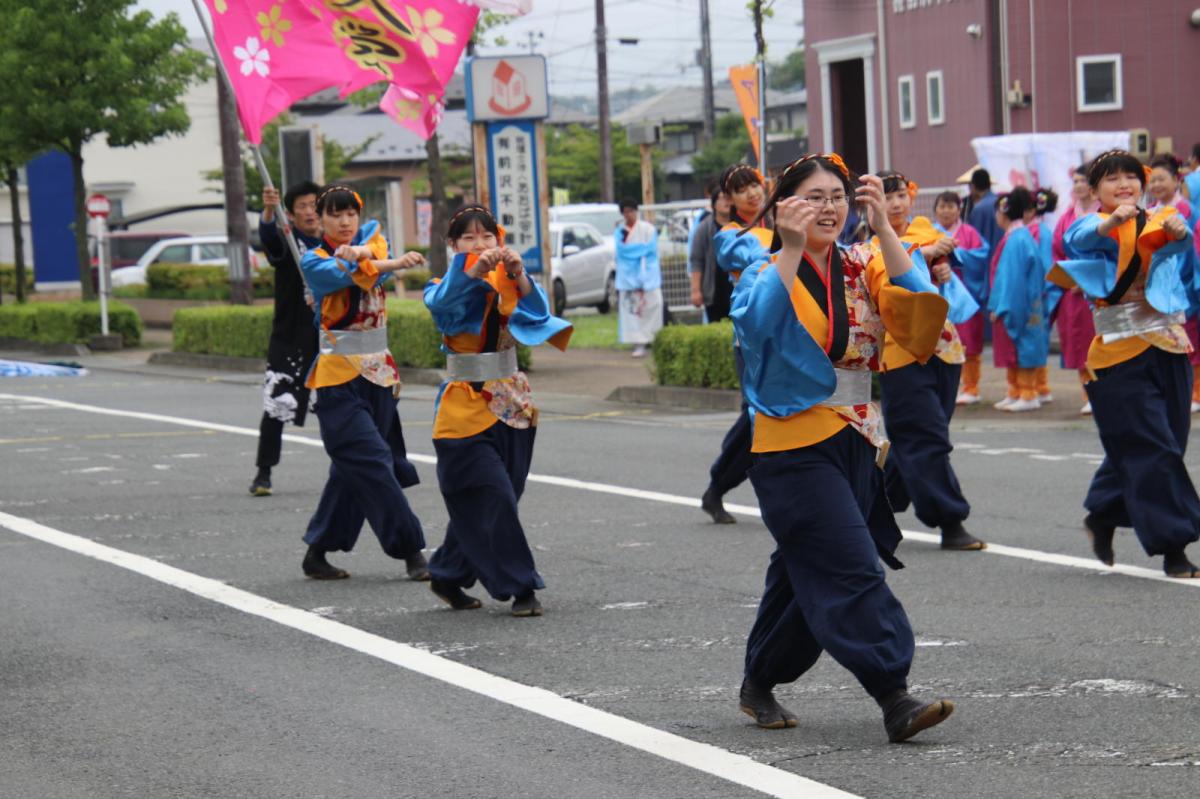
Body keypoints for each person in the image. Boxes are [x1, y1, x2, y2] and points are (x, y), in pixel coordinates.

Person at [730, 152, 956, 743]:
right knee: (850, 566)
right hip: (790, 445)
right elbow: (755, 327)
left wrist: (884, 227)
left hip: (856, 437)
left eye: (837, 197)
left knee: (806, 574)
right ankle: (893, 693)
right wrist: (788, 248)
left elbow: (913, 306)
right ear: (785, 207)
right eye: (812, 197)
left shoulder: (863, 263)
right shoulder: (764, 266)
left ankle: (760, 677)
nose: (827, 208)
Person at [1053, 150, 1200, 577]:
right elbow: (1080, 239)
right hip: (1118, 353)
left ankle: (1102, 512)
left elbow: (1181, 255)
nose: (1124, 184)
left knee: (1162, 444)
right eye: (1112, 178)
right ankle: (1175, 546)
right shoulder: (1090, 223)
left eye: (1131, 177)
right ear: (1095, 189)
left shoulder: (1163, 218)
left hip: (1169, 345)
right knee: (1153, 448)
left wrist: (1179, 232)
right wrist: (1113, 220)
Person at [424, 205, 572, 617]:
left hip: (513, 403)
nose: (479, 245)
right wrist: (469, 271)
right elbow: (443, 304)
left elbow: (540, 314)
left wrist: (520, 274)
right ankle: (520, 585)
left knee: (500, 498)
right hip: (463, 409)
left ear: (499, 240)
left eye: (486, 237)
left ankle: (448, 571)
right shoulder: (442, 285)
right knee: (494, 497)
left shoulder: (509, 283)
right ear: (453, 246)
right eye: (468, 238)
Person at [298, 186, 430, 582]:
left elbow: (376, 238)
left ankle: (317, 550)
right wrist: (374, 259)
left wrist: (366, 251)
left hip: (379, 375)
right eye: (334, 215)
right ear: (319, 220)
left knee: (352, 469)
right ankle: (412, 550)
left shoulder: (372, 240)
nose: (343, 222)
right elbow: (348, 273)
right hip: (337, 378)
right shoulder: (312, 261)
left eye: (349, 215)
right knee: (373, 461)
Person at [873, 171, 984, 551]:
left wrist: (942, 264)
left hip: (945, 349)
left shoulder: (925, 229)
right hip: (900, 355)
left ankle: (870, 504)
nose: (897, 203)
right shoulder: (867, 246)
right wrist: (925, 254)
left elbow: (946, 259)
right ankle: (950, 520)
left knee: (918, 439)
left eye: (901, 194)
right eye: (887, 197)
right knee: (925, 438)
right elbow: (892, 269)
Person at [698, 164, 772, 524]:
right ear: (730, 199)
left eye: (754, 185)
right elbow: (752, 259)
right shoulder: (728, 235)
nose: (752, 194)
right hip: (752, 337)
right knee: (756, 413)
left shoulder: (778, 224)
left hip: (791, 332)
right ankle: (720, 484)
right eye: (741, 190)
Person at [249, 182, 322, 497]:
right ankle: (263, 472)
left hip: (329, 338)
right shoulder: (288, 240)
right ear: (290, 214)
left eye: (314, 205)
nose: (310, 212)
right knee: (277, 405)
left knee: (343, 407)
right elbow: (269, 241)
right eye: (302, 206)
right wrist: (268, 210)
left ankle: (361, 468)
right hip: (290, 338)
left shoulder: (336, 245)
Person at [1146, 155, 1200, 411]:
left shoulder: (1187, 211)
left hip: (1182, 283)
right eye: (1152, 180)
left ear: (1176, 180)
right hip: (1157, 286)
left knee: (1187, 339)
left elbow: (1190, 252)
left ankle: (1195, 392)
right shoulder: (1150, 211)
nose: (1155, 185)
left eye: (1161, 179)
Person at [989, 187, 1049, 413]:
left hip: (1019, 301)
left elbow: (1011, 280)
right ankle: (1015, 392)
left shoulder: (1016, 240)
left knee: (1022, 346)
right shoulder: (1020, 236)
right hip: (1027, 299)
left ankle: (1028, 393)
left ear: (1002, 214)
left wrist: (1001, 306)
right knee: (1018, 347)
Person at [929, 190, 991, 405]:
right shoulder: (929, 233)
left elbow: (982, 255)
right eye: (942, 206)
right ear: (935, 210)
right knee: (938, 341)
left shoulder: (969, 232)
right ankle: (942, 386)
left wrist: (957, 256)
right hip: (938, 295)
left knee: (969, 341)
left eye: (951, 206)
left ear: (959, 209)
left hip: (965, 293)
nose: (946, 211)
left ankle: (971, 387)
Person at [1051, 167, 1099, 414]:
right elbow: (1057, 252)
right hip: (1073, 290)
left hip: (1097, 289)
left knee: (1097, 339)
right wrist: (1068, 278)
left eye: (1084, 180)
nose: (1079, 185)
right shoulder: (1066, 217)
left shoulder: (1103, 214)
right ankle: (1087, 392)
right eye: (1076, 181)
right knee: (1080, 342)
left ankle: (1102, 391)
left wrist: (1088, 278)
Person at [614, 199, 663, 358]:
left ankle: (654, 339)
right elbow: (622, 252)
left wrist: (635, 251)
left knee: (654, 306)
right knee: (633, 312)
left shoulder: (648, 229)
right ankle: (638, 343)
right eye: (625, 212)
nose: (629, 215)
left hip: (648, 276)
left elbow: (650, 249)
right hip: (628, 278)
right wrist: (639, 251)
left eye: (631, 211)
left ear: (636, 211)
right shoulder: (620, 232)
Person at [1030, 188, 1060, 404]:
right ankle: (1040, 386)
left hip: (1039, 291)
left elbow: (1043, 265)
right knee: (1037, 339)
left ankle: (1040, 386)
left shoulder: (1039, 231)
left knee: (1036, 340)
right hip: (1039, 290)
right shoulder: (1039, 230)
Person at [688, 187, 734, 321]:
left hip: (738, 286)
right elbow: (696, 261)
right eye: (722, 198)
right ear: (714, 204)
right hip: (714, 287)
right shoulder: (704, 228)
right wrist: (696, 291)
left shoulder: (741, 226)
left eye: (728, 198)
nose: (726, 202)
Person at [966, 168, 1002, 253]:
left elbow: (975, 239)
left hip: (987, 259)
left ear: (973, 186)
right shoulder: (1001, 203)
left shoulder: (978, 209)